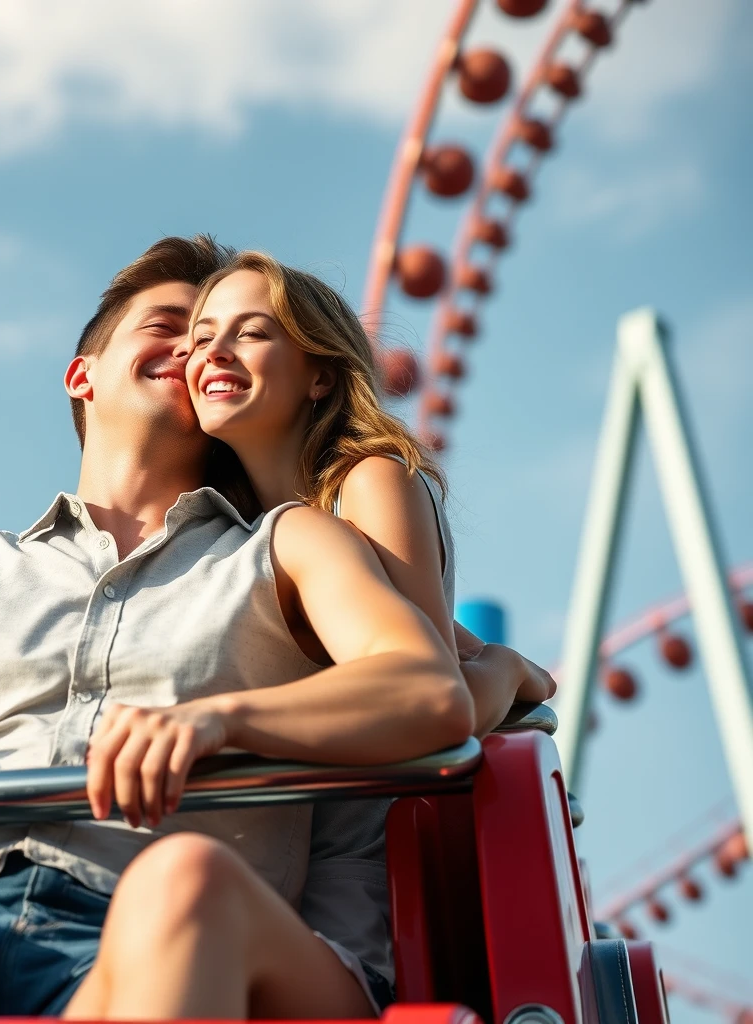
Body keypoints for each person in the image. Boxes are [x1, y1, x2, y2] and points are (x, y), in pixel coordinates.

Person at [0, 234, 511, 1023]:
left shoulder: (289, 544)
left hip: (132, 936)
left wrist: (217, 720)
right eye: (178, 325)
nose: (200, 347)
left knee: (186, 880)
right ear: (83, 376)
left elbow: (422, 681)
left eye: (235, 330)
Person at [184, 250, 557, 988]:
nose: (214, 353)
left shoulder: (368, 480)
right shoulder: (229, 530)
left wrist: (504, 668)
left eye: (251, 333)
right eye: (199, 338)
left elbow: (436, 695)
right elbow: (447, 638)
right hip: (256, 836)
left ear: (321, 374)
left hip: (348, 860)